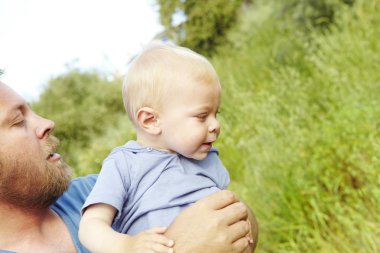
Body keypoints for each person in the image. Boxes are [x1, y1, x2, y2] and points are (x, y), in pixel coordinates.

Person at [0, 76, 257, 253]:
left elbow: (237, 216)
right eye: (18, 121)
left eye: (32, 111)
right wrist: (177, 246)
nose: (46, 123)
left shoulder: (97, 190)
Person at [78, 42, 254, 253]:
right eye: (202, 116)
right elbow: (90, 226)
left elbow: (225, 209)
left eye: (216, 114)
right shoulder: (124, 164)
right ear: (151, 120)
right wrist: (127, 245)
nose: (215, 125)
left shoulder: (206, 158)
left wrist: (240, 226)